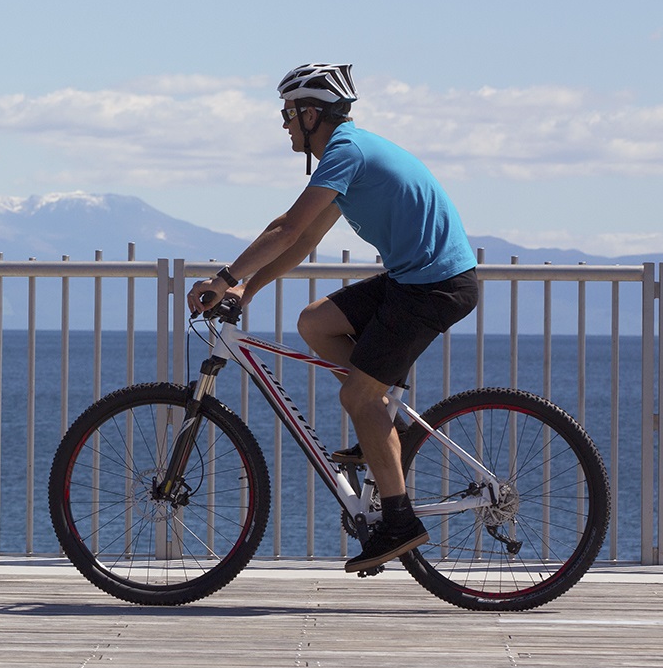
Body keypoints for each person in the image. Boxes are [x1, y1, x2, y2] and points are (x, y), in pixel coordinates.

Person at [186, 64, 479, 574]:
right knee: (316, 323)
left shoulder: (346, 151)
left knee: (355, 395)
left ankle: (399, 522)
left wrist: (224, 275)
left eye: (287, 114)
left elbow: (288, 226)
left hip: (433, 287)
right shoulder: (344, 154)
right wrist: (246, 289)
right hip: (414, 279)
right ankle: (379, 422)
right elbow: (304, 241)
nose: (283, 126)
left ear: (310, 113)